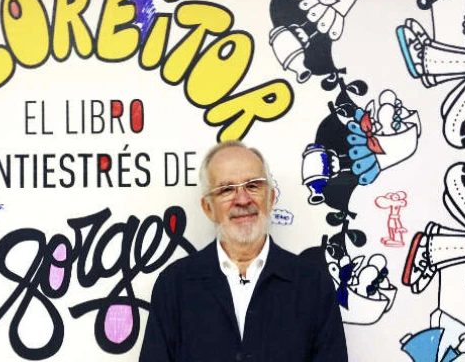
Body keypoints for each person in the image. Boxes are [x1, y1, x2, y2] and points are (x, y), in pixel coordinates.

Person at [139, 141, 348, 362]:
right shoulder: (174, 286)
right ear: (208, 208)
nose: (242, 199)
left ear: (270, 198)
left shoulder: (313, 284)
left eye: (253, 185)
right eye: (226, 189)